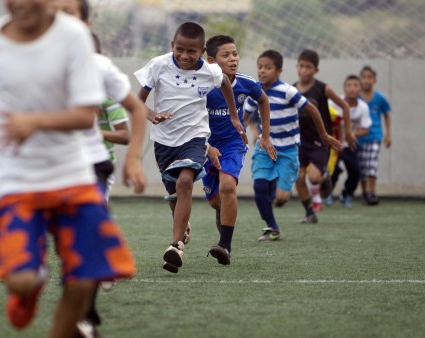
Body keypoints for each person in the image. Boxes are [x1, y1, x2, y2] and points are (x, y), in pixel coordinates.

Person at [0, 3, 136, 337]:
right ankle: (32, 284)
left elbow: (86, 116)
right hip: (18, 182)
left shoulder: (74, 37)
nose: (21, 4)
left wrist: (34, 121)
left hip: (73, 176)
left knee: (85, 277)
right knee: (22, 281)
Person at [50, 0, 147, 335]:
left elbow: (135, 112)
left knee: (84, 239)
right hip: (48, 167)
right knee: (62, 248)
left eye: (70, 11)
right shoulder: (29, 60)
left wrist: (133, 159)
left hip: (91, 165)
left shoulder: (99, 68)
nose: (61, 17)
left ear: (86, 22)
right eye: (55, 10)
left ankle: (86, 316)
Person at [135, 22, 244, 274]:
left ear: (202, 51)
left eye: (191, 52)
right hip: (164, 142)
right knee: (175, 197)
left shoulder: (210, 71)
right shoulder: (159, 65)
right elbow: (137, 101)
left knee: (185, 182)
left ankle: (175, 246)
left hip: (195, 138)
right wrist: (151, 114)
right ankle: (182, 226)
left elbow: (226, 84)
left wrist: (234, 115)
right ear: (172, 46)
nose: (184, 56)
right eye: (179, 50)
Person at [244, 50, 340, 241]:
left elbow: (313, 110)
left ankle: (279, 193)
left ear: (278, 71)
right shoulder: (254, 91)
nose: (262, 71)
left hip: (288, 151)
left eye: (268, 67)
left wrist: (324, 135)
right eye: (260, 66)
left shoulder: (288, 91)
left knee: (282, 198)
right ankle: (272, 227)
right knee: (259, 188)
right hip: (265, 149)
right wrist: (238, 135)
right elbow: (245, 117)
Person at [203, 35, 275, 264]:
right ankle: (221, 213)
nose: (233, 59)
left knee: (227, 187)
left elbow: (264, 101)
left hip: (234, 143)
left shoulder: (246, 83)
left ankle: (225, 245)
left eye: (235, 54)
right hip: (207, 145)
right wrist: (207, 146)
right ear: (212, 61)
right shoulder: (202, 85)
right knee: (216, 201)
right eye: (226, 55)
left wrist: (265, 135)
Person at [293, 49, 355, 224]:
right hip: (299, 141)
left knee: (313, 177)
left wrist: (348, 132)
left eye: (308, 67)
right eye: (301, 66)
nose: (304, 70)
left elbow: (344, 106)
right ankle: (309, 213)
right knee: (298, 177)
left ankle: (325, 175)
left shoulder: (322, 88)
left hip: (320, 140)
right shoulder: (291, 89)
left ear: (316, 70)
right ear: (297, 67)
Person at [329, 75, 372, 208]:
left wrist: (352, 134)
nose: (352, 89)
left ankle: (347, 194)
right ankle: (328, 193)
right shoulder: (334, 103)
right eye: (349, 85)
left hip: (351, 145)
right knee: (332, 170)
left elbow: (366, 129)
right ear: (344, 88)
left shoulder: (363, 107)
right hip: (335, 144)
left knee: (355, 171)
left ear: (360, 89)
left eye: (355, 85)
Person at [359, 65, 392, 205]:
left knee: (371, 164)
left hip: (374, 136)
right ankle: (364, 193)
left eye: (369, 77)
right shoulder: (356, 97)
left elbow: (387, 115)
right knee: (361, 166)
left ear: (374, 80)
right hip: (358, 136)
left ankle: (372, 192)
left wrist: (388, 134)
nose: (366, 80)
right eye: (364, 77)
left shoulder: (380, 98)